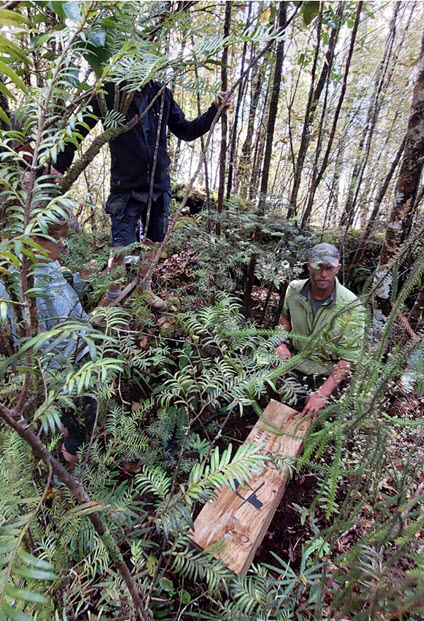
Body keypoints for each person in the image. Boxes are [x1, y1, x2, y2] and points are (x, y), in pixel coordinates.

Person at [54, 80, 229, 310]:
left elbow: (186, 131)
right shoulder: (108, 93)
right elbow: (78, 129)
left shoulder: (161, 93)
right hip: (124, 185)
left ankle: (144, 289)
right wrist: (58, 167)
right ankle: (112, 295)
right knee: (119, 247)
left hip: (158, 184)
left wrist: (214, 110)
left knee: (153, 242)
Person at [0, 205, 95, 467]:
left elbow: (62, 290)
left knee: (74, 422)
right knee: (80, 427)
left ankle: (67, 449)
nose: (63, 253)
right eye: (62, 245)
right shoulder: (10, 281)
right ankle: (68, 476)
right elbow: (17, 334)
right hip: (57, 371)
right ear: (39, 240)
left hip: (77, 354)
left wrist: (81, 280)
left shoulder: (46, 261)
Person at [276, 243, 365, 417]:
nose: (324, 274)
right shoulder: (294, 290)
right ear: (309, 266)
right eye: (319, 267)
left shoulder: (351, 305)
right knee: (283, 416)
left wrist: (323, 393)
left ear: (337, 268)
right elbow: (285, 317)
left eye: (329, 268)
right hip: (296, 365)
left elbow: (349, 357)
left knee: (321, 425)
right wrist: (280, 343)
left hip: (329, 374)